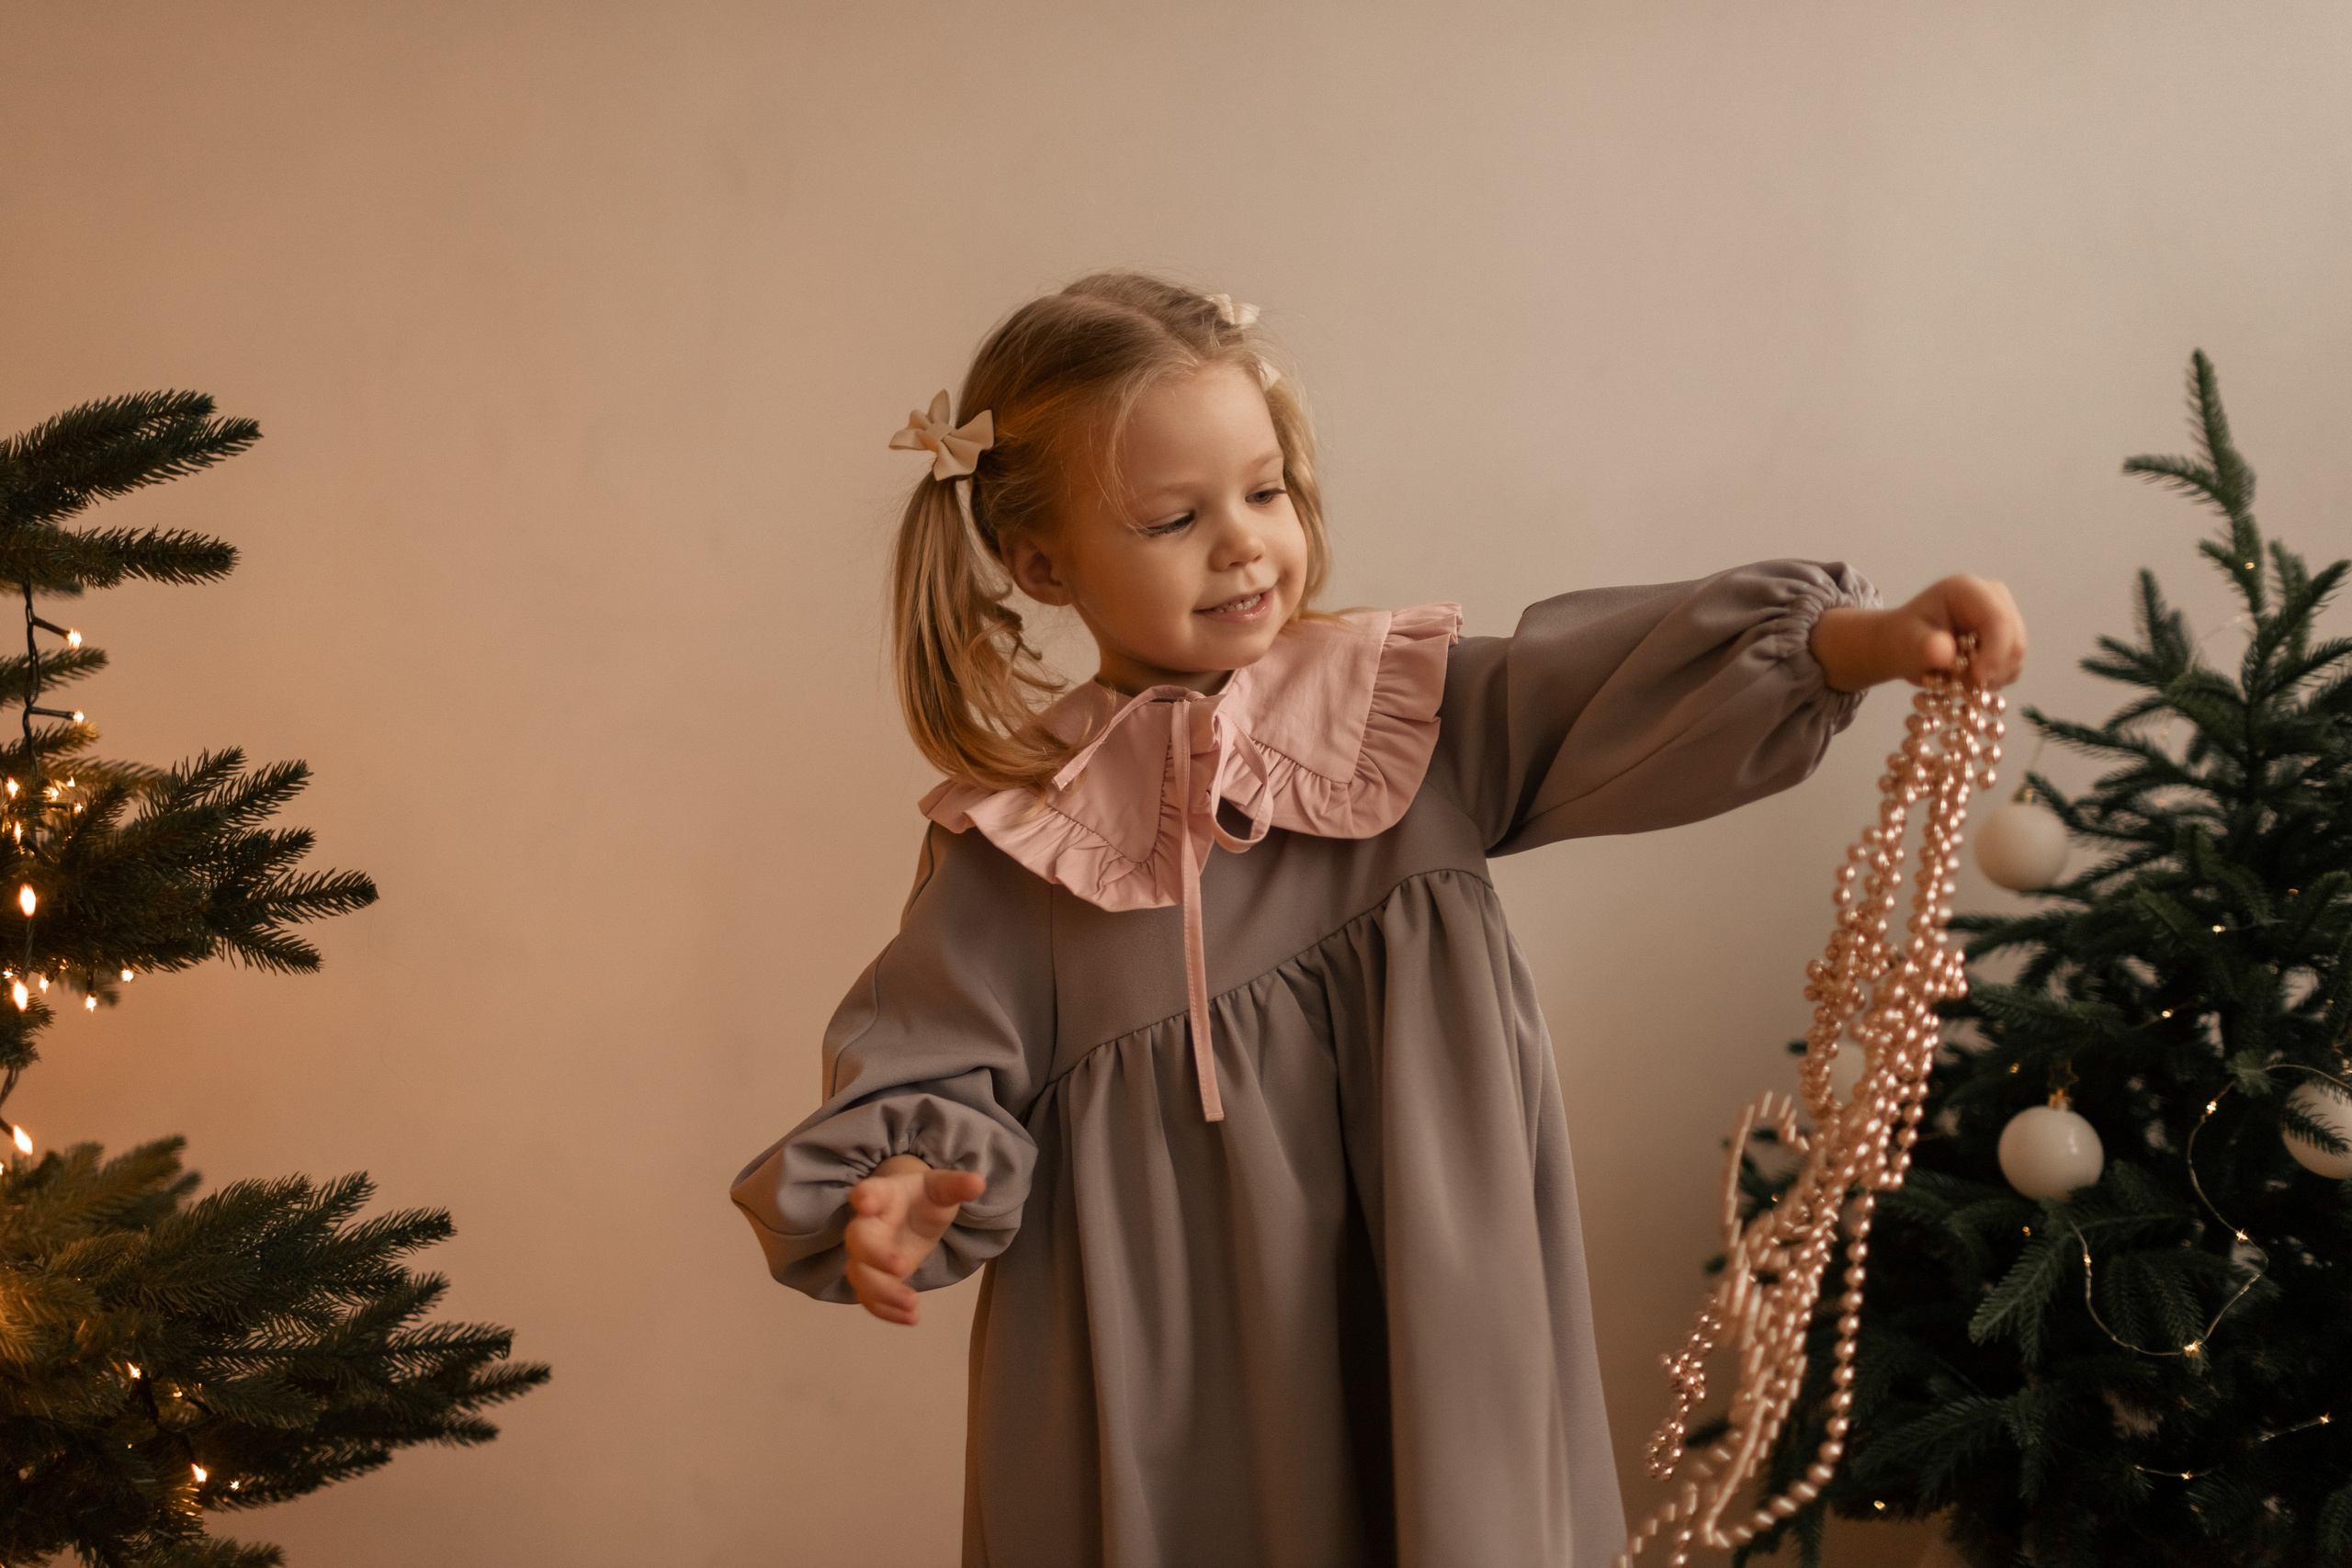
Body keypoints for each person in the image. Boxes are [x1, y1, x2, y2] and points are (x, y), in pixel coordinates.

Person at [729, 273, 2026, 1568]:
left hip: (1437, 1317)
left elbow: (1618, 684)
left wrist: (1861, 642)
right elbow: (937, 1060)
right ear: (1040, 561)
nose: (1243, 543)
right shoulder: (1021, 842)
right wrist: (900, 1185)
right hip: (1165, 1386)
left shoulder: (1398, 720)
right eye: (1176, 516)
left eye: (1265, 489)